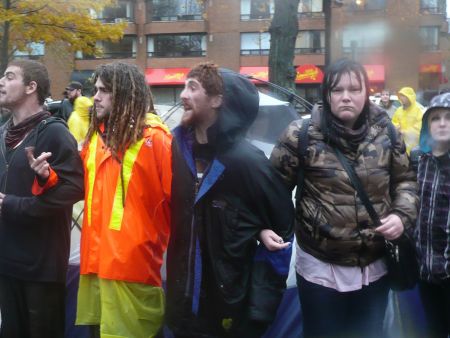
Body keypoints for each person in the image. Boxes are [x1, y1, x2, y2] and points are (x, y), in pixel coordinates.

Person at [270, 58, 418, 338]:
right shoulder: (300, 135)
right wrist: (267, 227)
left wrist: (401, 216)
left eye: (354, 89)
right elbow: (272, 189)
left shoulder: (387, 132)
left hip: (374, 266)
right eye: (337, 90)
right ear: (326, 94)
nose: (346, 97)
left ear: (366, 92)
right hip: (319, 268)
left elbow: (406, 181)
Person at [166, 63, 294, 338]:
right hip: (182, 308)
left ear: (217, 100)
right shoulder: (176, 151)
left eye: (193, 87)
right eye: (184, 85)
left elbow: (283, 230)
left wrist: (259, 309)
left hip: (229, 314)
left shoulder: (246, 162)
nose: (182, 95)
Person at [75, 62, 172, 338]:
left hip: (134, 272)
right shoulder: (96, 138)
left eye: (104, 90)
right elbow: (80, 188)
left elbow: (181, 206)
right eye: (95, 90)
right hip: (96, 267)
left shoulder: (157, 140)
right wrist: (47, 177)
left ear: (126, 94)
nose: (95, 97)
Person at [0, 59, 84, 337]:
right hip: (6, 261)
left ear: (31, 87)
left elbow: (75, 188)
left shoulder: (55, 132)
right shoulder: (2, 133)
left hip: (41, 267)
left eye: (9, 77)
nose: (1, 82)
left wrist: (14, 204)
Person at [414, 92, 450, 338]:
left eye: (448, 118)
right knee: (433, 330)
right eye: (435, 118)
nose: (442, 123)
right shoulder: (418, 160)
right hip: (425, 268)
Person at [392, 86, 424, 154]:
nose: (401, 98)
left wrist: (404, 132)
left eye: (403, 96)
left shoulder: (419, 110)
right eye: (400, 96)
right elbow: (394, 122)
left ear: (409, 97)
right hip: (401, 147)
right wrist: (396, 128)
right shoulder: (399, 110)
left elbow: (420, 127)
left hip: (415, 148)